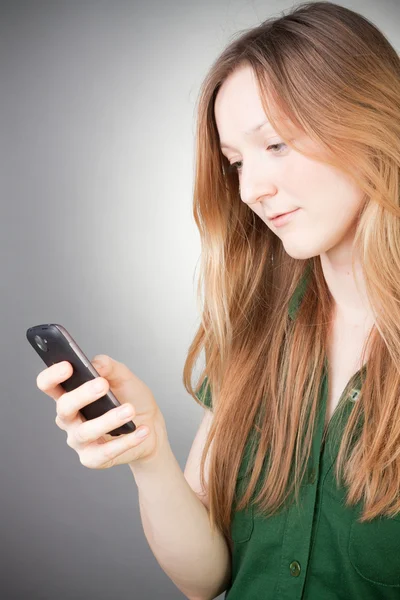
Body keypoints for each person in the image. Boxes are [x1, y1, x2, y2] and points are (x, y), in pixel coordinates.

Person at [35, 1, 400, 599]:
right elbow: (206, 578)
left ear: (369, 122)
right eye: (235, 162)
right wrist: (148, 453)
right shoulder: (257, 331)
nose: (252, 189)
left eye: (276, 145)